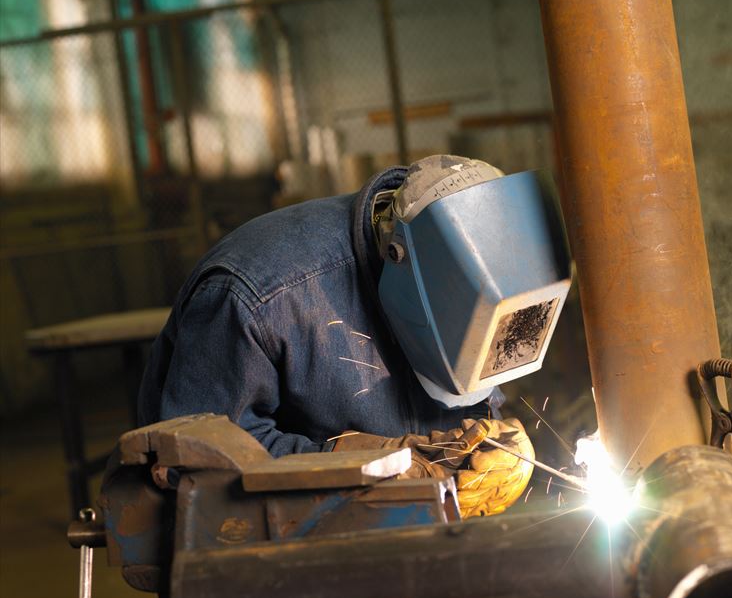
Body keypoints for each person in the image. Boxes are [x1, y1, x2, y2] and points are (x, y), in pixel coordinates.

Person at [138, 155, 571, 517]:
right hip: (264, 562)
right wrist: (359, 467)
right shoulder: (259, 296)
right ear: (400, 269)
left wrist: (496, 443)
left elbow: (473, 401)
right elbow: (195, 463)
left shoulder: (486, 275)